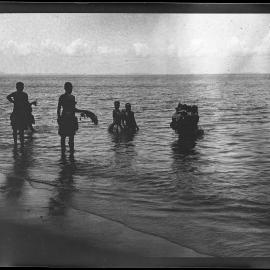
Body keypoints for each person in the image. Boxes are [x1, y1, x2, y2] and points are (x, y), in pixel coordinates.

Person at [57, 82, 97, 155]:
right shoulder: (66, 97)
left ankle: (66, 155)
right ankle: (68, 154)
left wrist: (84, 111)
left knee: (66, 137)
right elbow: (62, 108)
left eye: (71, 87)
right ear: (66, 88)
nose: (71, 89)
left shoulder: (67, 97)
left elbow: (64, 109)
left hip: (67, 118)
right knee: (67, 138)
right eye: (70, 88)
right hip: (68, 119)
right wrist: (85, 111)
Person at [7, 82, 31, 146]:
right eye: (22, 86)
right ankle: (22, 144)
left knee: (15, 130)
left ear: (16, 87)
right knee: (21, 130)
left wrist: (13, 102)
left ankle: (15, 144)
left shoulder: (15, 94)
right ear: (22, 87)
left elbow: (8, 97)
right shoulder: (24, 94)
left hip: (15, 113)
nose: (23, 87)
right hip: (22, 114)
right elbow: (26, 104)